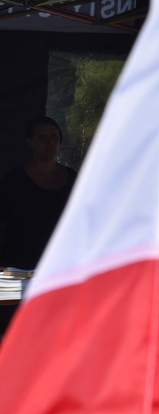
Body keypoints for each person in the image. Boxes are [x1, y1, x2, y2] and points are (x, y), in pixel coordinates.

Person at [0, 116, 78, 334]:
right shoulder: (13, 179)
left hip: (59, 269)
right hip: (15, 269)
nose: (49, 142)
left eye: (54, 137)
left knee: (55, 331)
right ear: (30, 142)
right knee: (12, 331)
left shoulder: (72, 178)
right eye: (42, 137)